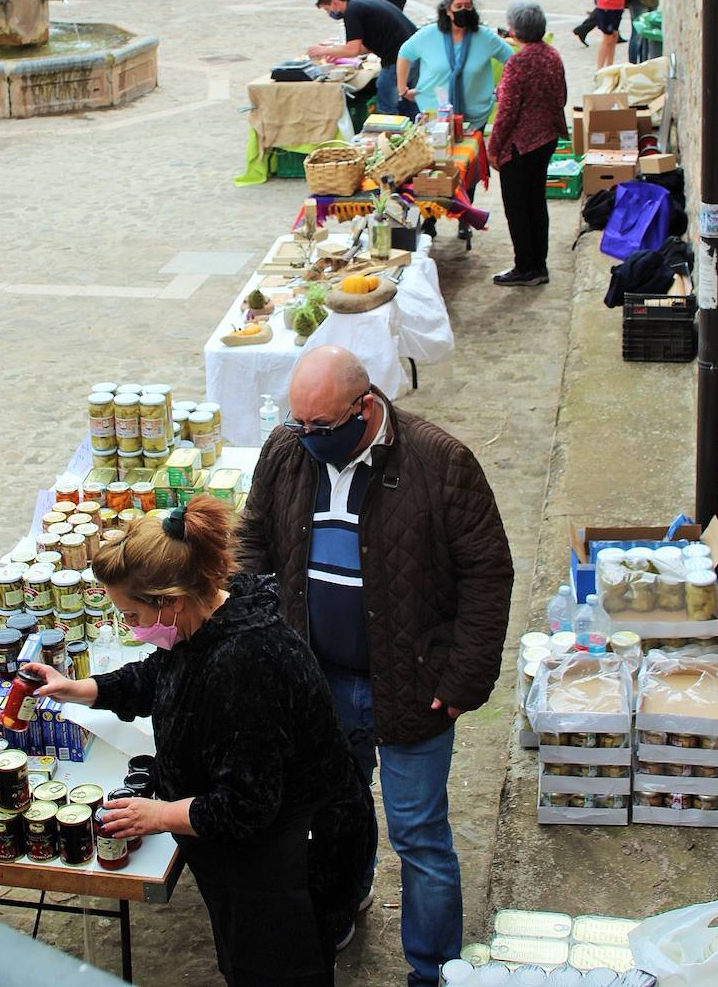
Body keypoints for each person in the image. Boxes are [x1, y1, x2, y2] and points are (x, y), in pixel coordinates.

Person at [237, 345, 514, 987]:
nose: (308, 440)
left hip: (412, 686)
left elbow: (487, 573)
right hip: (318, 681)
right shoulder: (288, 450)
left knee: (418, 836)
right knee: (337, 812)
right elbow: (253, 536)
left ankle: (433, 968)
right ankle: (343, 904)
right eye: (298, 425)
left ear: (366, 407)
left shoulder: (441, 463)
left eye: (322, 429)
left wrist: (464, 677)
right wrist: (259, 629)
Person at [31, 496, 373, 987]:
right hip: (258, 851)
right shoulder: (208, 612)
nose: (133, 629)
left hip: (294, 860)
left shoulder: (246, 665)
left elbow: (246, 805)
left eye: (131, 616)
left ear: (169, 601)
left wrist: (160, 814)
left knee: (276, 973)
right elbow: (159, 677)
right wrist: (81, 690)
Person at [487, 0, 568, 286]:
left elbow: (506, 112)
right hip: (546, 138)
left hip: (521, 144)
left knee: (517, 206)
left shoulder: (518, 62)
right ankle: (538, 264)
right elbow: (561, 97)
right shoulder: (552, 55)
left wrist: (494, 147)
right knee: (535, 202)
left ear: (515, 30)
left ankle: (526, 266)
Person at [396, 0, 514, 128]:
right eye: (458, 6)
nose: (463, 10)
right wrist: (403, 89)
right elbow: (404, 54)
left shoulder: (485, 38)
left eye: (468, 6)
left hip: (475, 117)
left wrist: (502, 88)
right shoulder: (428, 35)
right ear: (448, 11)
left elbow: (512, 60)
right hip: (433, 114)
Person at [308, 0, 416, 116]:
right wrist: (338, 53)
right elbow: (362, 47)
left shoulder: (352, 12)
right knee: (408, 102)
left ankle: (390, 132)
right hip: (413, 54)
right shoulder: (362, 2)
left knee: (387, 103)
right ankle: (412, 128)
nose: (328, 13)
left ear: (335, 3)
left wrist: (323, 50)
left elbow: (352, 50)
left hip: (398, 59)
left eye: (327, 9)